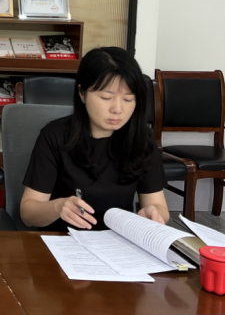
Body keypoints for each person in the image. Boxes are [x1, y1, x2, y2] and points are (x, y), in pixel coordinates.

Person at [20, 46, 169, 231]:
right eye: (106, 98)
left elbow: (159, 207)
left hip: (116, 241)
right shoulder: (54, 136)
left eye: (128, 99)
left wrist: (155, 213)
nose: (117, 109)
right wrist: (58, 207)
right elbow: (28, 213)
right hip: (62, 240)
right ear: (82, 93)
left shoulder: (141, 139)